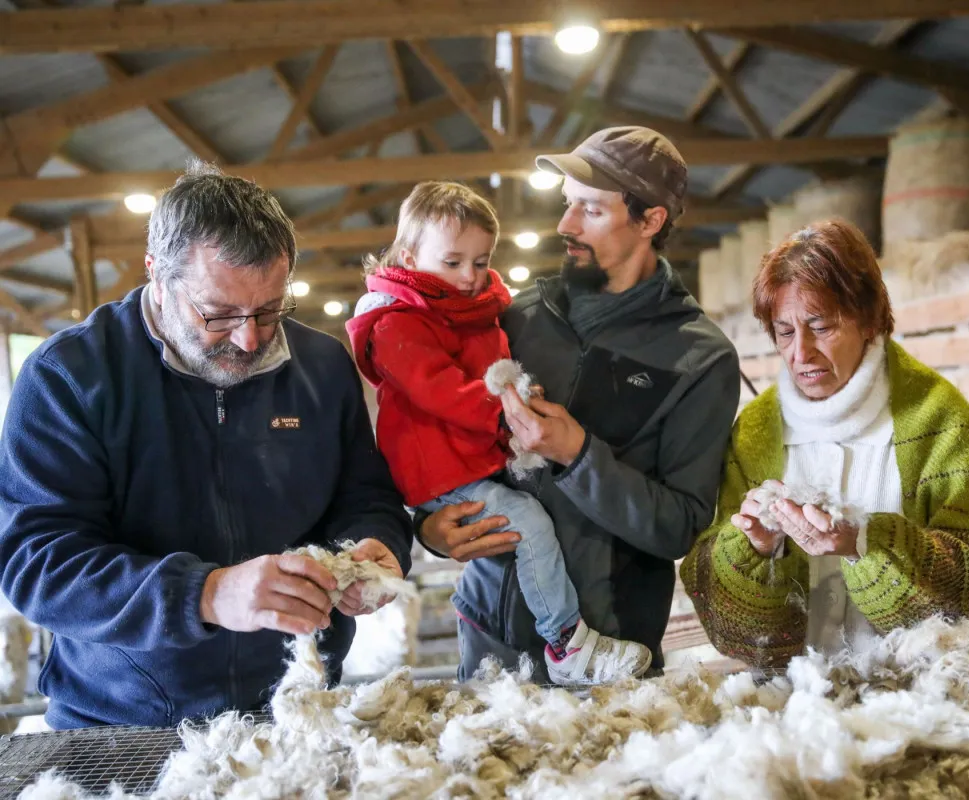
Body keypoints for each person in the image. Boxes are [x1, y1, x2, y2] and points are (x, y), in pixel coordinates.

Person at [0, 163, 414, 728]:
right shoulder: (70, 376)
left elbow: (366, 495)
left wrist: (375, 544)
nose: (250, 338)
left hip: (298, 701)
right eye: (218, 315)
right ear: (156, 275)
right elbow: (38, 562)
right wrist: (207, 594)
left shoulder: (320, 366)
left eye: (270, 310)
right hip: (125, 718)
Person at [416, 126, 743, 682]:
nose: (565, 225)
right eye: (568, 205)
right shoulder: (515, 317)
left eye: (590, 210)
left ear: (651, 220)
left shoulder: (698, 357)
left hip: (608, 651)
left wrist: (580, 454)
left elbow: (680, 526)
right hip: (490, 636)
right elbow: (441, 434)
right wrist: (428, 528)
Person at [680, 219, 969, 667]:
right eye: (784, 332)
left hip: (918, 688)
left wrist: (864, 542)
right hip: (796, 699)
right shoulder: (755, 431)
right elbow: (717, 603)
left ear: (867, 320)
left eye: (821, 326)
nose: (800, 354)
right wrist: (755, 549)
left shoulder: (934, 417)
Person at [346, 181, 652, 687]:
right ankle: (566, 642)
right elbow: (439, 388)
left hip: (471, 456)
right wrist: (504, 413)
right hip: (441, 469)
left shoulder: (474, 308)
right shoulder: (396, 323)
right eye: (452, 262)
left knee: (532, 514)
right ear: (408, 255)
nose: (469, 276)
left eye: (481, 261)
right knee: (528, 520)